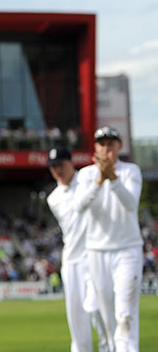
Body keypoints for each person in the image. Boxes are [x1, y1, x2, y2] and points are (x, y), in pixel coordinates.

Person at [74, 126, 143, 352]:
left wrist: (112, 178)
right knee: (108, 317)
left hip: (127, 250)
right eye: (102, 144)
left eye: (111, 144)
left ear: (119, 146)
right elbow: (79, 206)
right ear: (95, 148)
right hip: (97, 251)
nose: (106, 149)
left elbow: (131, 203)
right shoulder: (85, 175)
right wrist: (99, 181)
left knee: (125, 314)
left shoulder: (131, 171)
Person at [45, 146, 109, 352]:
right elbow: (77, 215)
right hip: (72, 259)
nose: (57, 171)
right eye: (53, 167)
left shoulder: (87, 177)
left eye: (61, 165)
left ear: (71, 163)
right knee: (77, 319)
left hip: (95, 255)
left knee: (97, 310)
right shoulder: (54, 197)